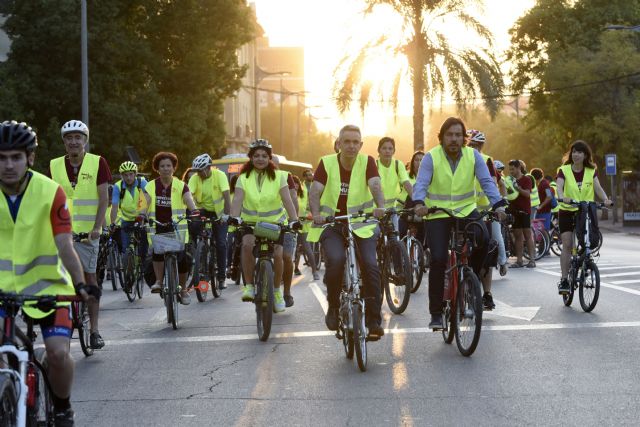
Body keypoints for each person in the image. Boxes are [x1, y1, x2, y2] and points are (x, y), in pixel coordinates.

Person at [0, 120, 98, 426]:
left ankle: (63, 407)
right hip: (2, 290)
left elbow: (64, 245)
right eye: (1, 158)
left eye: (15, 157)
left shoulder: (49, 191)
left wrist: (80, 284)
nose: (8, 165)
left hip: (48, 289)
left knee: (57, 354)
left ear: (30, 157)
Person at [412, 117, 506, 330]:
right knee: (438, 259)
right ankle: (436, 312)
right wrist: (419, 203)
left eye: (457, 135)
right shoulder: (431, 157)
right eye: (449, 135)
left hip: (466, 210)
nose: (453, 139)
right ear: (442, 137)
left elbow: (486, 182)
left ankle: (469, 276)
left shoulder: (474, 156)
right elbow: (421, 184)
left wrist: (498, 205)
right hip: (438, 214)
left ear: (464, 138)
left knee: (485, 240)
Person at [308, 124, 386, 339]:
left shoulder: (367, 162)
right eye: (347, 142)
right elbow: (315, 191)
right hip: (332, 224)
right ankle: (333, 307)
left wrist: (380, 206)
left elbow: (376, 185)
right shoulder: (326, 163)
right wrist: (316, 214)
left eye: (355, 142)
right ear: (339, 144)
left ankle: (374, 321)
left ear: (361, 145)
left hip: (362, 223)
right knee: (335, 260)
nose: (351, 146)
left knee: (370, 265)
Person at [49, 120, 110, 349]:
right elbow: (49, 198)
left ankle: (94, 331)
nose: (73, 141)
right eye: (69, 138)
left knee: (90, 278)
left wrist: (96, 227)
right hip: (62, 235)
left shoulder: (98, 163)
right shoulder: (54, 165)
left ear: (85, 140)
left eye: (78, 137)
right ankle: (59, 326)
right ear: (64, 142)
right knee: (58, 282)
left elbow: (103, 198)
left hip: (87, 235)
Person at [229, 140, 300, 312]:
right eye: (256, 156)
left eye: (264, 156)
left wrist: (294, 219)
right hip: (250, 223)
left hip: (275, 223)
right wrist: (233, 217)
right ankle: (250, 287)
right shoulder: (242, 178)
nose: (260, 159)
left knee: (278, 253)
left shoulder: (280, 177)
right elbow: (238, 199)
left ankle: (276, 292)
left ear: (269, 158)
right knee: (246, 245)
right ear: (251, 158)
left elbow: (287, 200)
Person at [555, 140, 612, 294]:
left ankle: (583, 261)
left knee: (588, 241)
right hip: (566, 210)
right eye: (574, 151)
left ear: (585, 155)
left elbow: (598, 188)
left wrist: (606, 199)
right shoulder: (563, 170)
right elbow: (559, 187)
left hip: (584, 211)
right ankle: (565, 279)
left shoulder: (591, 170)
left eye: (579, 152)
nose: (576, 154)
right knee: (567, 244)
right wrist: (562, 197)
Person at [146, 152, 199, 304]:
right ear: (157, 169)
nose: (166, 169)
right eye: (162, 166)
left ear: (174, 168)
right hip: (158, 226)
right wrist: (141, 214)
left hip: (177, 229)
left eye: (169, 165)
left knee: (183, 260)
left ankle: (182, 290)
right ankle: (159, 282)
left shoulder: (181, 185)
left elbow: (189, 200)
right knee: (157, 252)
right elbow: (144, 203)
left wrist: (194, 211)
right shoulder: (150, 186)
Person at [467, 129, 505, 308]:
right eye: (471, 145)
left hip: (484, 212)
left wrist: (498, 206)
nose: (474, 148)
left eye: (477, 145)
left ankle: (487, 293)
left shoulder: (487, 160)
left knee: (490, 249)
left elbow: (491, 184)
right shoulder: (459, 159)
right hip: (463, 212)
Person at [188, 153, 231, 291]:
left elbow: (226, 196)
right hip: (202, 211)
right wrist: (188, 212)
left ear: (208, 168)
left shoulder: (220, 176)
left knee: (221, 242)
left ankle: (222, 277)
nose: (199, 174)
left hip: (219, 213)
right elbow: (188, 195)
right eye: (197, 171)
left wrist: (226, 215)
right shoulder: (195, 178)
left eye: (201, 171)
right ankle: (200, 254)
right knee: (192, 227)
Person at [271, 154, 299, 307]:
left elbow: (293, 198)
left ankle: (286, 293)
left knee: (287, 257)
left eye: (273, 165)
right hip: (263, 223)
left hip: (285, 223)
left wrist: (294, 220)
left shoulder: (285, 177)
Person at [110, 161, 151, 256]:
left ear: (135, 174)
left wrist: (143, 215)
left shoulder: (142, 182)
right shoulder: (118, 186)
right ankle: (127, 269)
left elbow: (148, 199)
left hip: (141, 218)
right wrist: (112, 223)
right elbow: (114, 206)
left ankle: (143, 267)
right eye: (125, 175)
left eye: (131, 174)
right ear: (121, 176)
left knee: (144, 249)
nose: (128, 178)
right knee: (126, 249)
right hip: (126, 219)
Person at [505, 160, 536, 268]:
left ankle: (532, 260)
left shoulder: (526, 179)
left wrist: (518, 188)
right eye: (510, 169)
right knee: (518, 236)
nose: (511, 171)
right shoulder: (509, 180)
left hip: (525, 211)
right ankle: (519, 261)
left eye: (513, 169)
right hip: (514, 211)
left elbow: (527, 194)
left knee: (527, 235)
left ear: (519, 168)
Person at [292, 174, 320, 281]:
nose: (295, 186)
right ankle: (295, 268)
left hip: (304, 225)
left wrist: (310, 215)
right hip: (291, 225)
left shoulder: (304, 193)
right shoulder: (286, 194)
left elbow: (309, 207)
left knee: (308, 249)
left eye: (296, 183)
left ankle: (314, 272)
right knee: (295, 250)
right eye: (292, 184)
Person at [398, 151, 425, 243]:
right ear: (412, 162)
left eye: (422, 160)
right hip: (404, 211)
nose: (419, 163)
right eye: (417, 160)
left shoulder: (429, 177)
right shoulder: (405, 175)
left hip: (422, 212)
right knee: (400, 233)